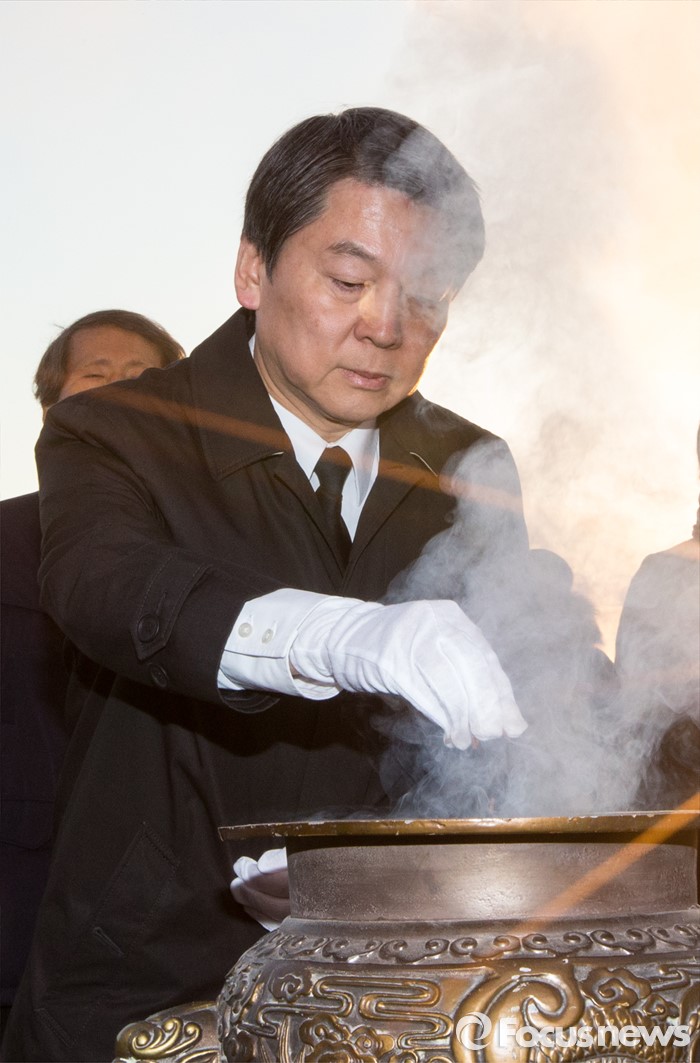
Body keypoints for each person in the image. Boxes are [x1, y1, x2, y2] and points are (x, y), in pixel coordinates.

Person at [2, 108, 529, 1063]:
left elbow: (524, 680)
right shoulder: (119, 431)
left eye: (427, 296)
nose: (386, 327)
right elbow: (108, 584)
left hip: (389, 989)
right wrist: (345, 636)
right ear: (253, 269)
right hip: (141, 984)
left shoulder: (467, 465)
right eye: (349, 281)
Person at [0, 311, 184, 1036]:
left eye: (142, 378)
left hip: (166, 933)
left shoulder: (215, 555)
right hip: (16, 916)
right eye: (95, 376)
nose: (118, 393)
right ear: (52, 409)